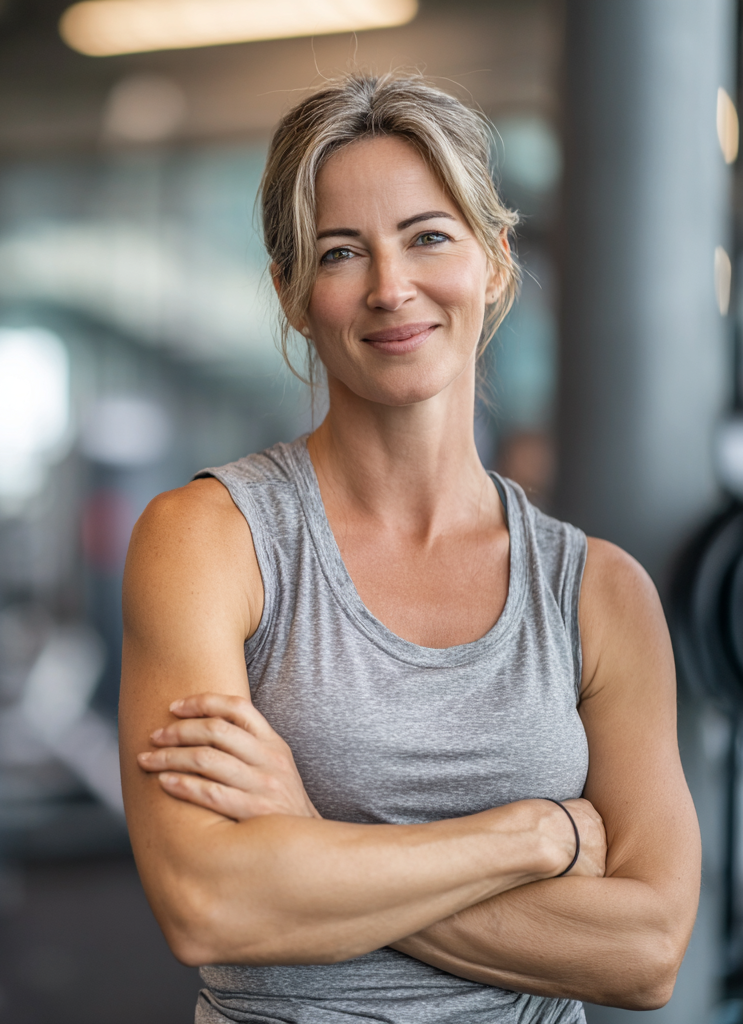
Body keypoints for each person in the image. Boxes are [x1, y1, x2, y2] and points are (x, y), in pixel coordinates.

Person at [119, 72, 701, 1023]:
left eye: (429, 236)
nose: (392, 288)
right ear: (294, 293)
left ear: (495, 262)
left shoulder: (597, 592)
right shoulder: (209, 540)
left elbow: (645, 953)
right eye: (342, 252)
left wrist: (304, 836)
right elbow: (210, 904)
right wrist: (527, 836)